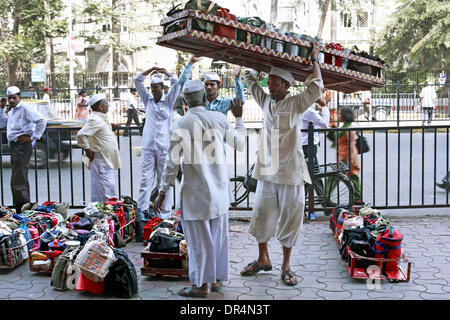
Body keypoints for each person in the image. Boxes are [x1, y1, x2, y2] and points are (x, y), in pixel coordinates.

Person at [239, 43, 324, 286]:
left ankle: (286, 266)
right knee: (262, 215)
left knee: (291, 217)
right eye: (269, 82)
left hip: (291, 172)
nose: (269, 86)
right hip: (267, 170)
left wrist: (315, 59)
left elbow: (316, 87)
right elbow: (249, 80)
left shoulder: (297, 103)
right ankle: (263, 259)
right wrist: (254, 61)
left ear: (286, 86)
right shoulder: (265, 101)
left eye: (274, 83)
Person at [153, 79, 246, 298]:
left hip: (195, 195)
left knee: (198, 242)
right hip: (220, 193)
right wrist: (239, 116)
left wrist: (162, 191)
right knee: (218, 239)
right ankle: (214, 282)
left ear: (185, 101)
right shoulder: (220, 119)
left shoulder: (181, 124)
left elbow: (171, 163)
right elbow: (240, 144)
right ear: (204, 98)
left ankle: (201, 286)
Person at [133, 62, 191, 231]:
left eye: (156, 87)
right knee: (145, 180)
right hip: (148, 148)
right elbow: (137, 80)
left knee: (164, 182)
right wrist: (150, 69)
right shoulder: (147, 99)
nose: (153, 90)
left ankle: (164, 215)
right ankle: (142, 212)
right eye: (151, 87)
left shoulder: (169, 100)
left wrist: (165, 71)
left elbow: (177, 83)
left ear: (163, 87)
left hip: (164, 147)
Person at [0, 86, 46, 213]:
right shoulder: (12, 110)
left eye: (14, 97)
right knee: (20, 179)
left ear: (20, 97)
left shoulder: (25, 108)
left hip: (22, 146)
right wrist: (2, 108)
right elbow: (2, 123)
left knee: (18, 181)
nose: (11, 100)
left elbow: (41, 121)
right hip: (15, 146)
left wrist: (33, 137)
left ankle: (22, 211)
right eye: (9, 98)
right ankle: (24, 209)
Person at [76, 93, 121, 202]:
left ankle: (103, 214)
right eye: (106, 103)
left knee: (104, 189)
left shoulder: (100, 118)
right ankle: (106, 213)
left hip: (105, 160)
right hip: (101, 160)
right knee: (105, 189)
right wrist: (88, 151)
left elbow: (101, 130)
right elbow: (81, 135)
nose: (108, 105)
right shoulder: (95, 119)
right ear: (101, 107)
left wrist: (111, 127)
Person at [329, 106, 363, 204]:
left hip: (347, 157)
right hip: (342, 156)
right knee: (336, 177)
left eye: (340, 113)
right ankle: (357, 199)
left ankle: (357, 199)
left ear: (345, 115)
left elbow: (352, 145)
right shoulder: (344, 126)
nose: (338, 115)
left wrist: (351, 160)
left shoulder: (349, 128)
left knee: (336, 177)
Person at [301, 97, 329, 169]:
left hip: (304, 144)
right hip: (308, 145)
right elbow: (324, 125)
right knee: (314, 172)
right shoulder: (309, 111)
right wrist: (324, 106)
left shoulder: (303, 107)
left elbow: (315, 108)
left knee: (312, 171)